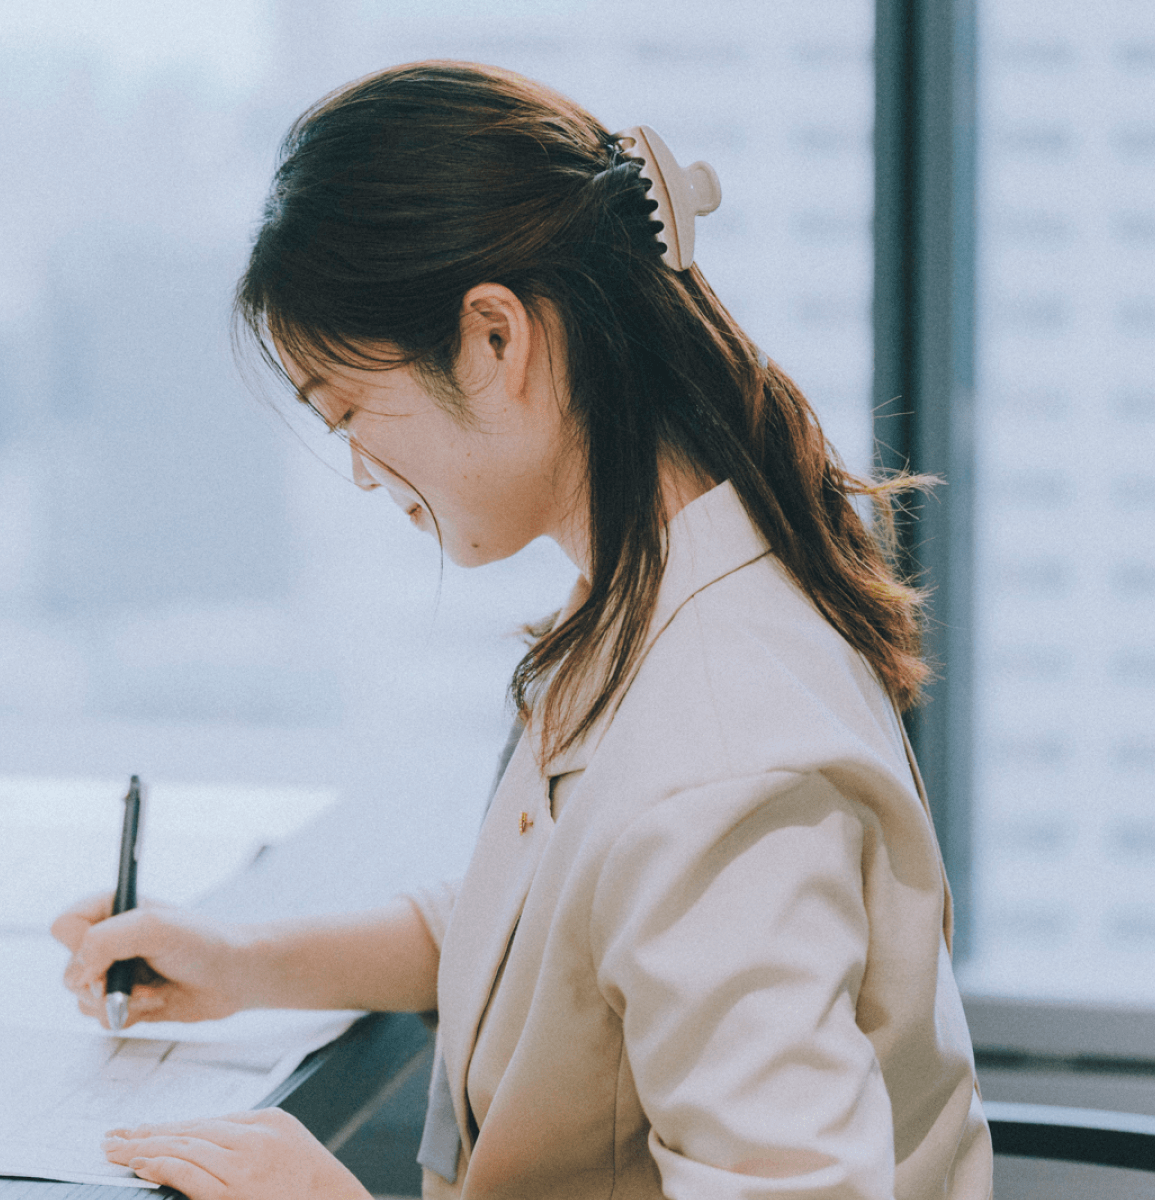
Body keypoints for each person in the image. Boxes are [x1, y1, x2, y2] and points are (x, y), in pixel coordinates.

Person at [51, 61, 992, 1200]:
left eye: (350, 411)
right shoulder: (653, 595)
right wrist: (244, 964)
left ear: (495, 339)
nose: (359, 470)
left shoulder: (721, 753)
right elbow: (550, 941)